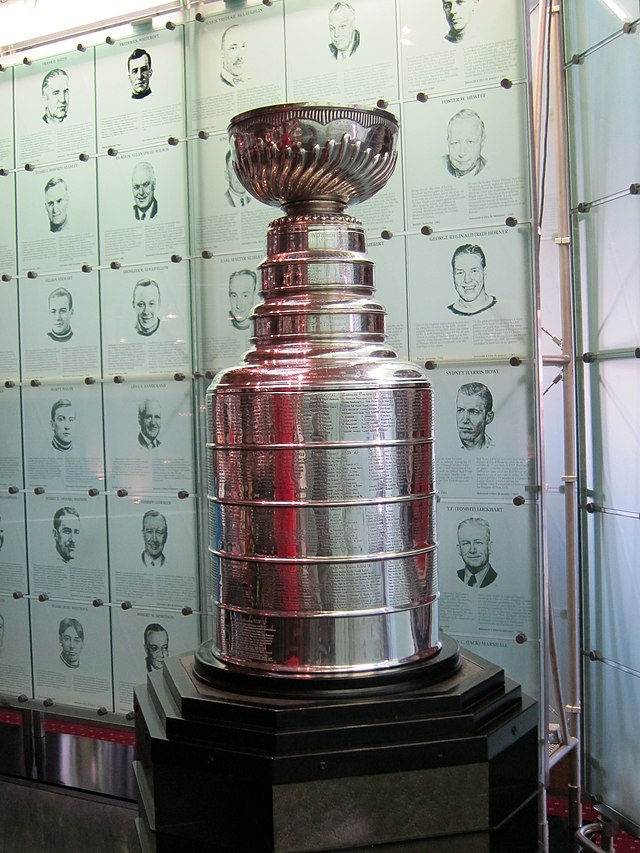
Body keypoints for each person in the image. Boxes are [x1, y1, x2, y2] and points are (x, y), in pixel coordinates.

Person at [447, 244, 496, 316]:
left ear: (484, 273)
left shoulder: (503, 308)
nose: (467, 280)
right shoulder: (445, 312)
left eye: (474, 271)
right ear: (453, 275)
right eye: (460, 273)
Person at [443, 109, 486, 178]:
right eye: (455, 143)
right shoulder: (440, 164)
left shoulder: (490, 168)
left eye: (470, 142)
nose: (462, 153)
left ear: (482, 143)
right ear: (448, 143)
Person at [456, 517, 497, 587]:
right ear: (459, 549)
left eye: (478, 542)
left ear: (489, 547)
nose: (472, 550)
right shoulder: (456, 576)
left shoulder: (496, 578)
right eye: (466, 543)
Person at [456, 382, 494, 450]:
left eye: (473, 412)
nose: (465, 420)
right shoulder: (444, 448)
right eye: (460, 410)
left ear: (489, 417)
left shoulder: (497, 448)